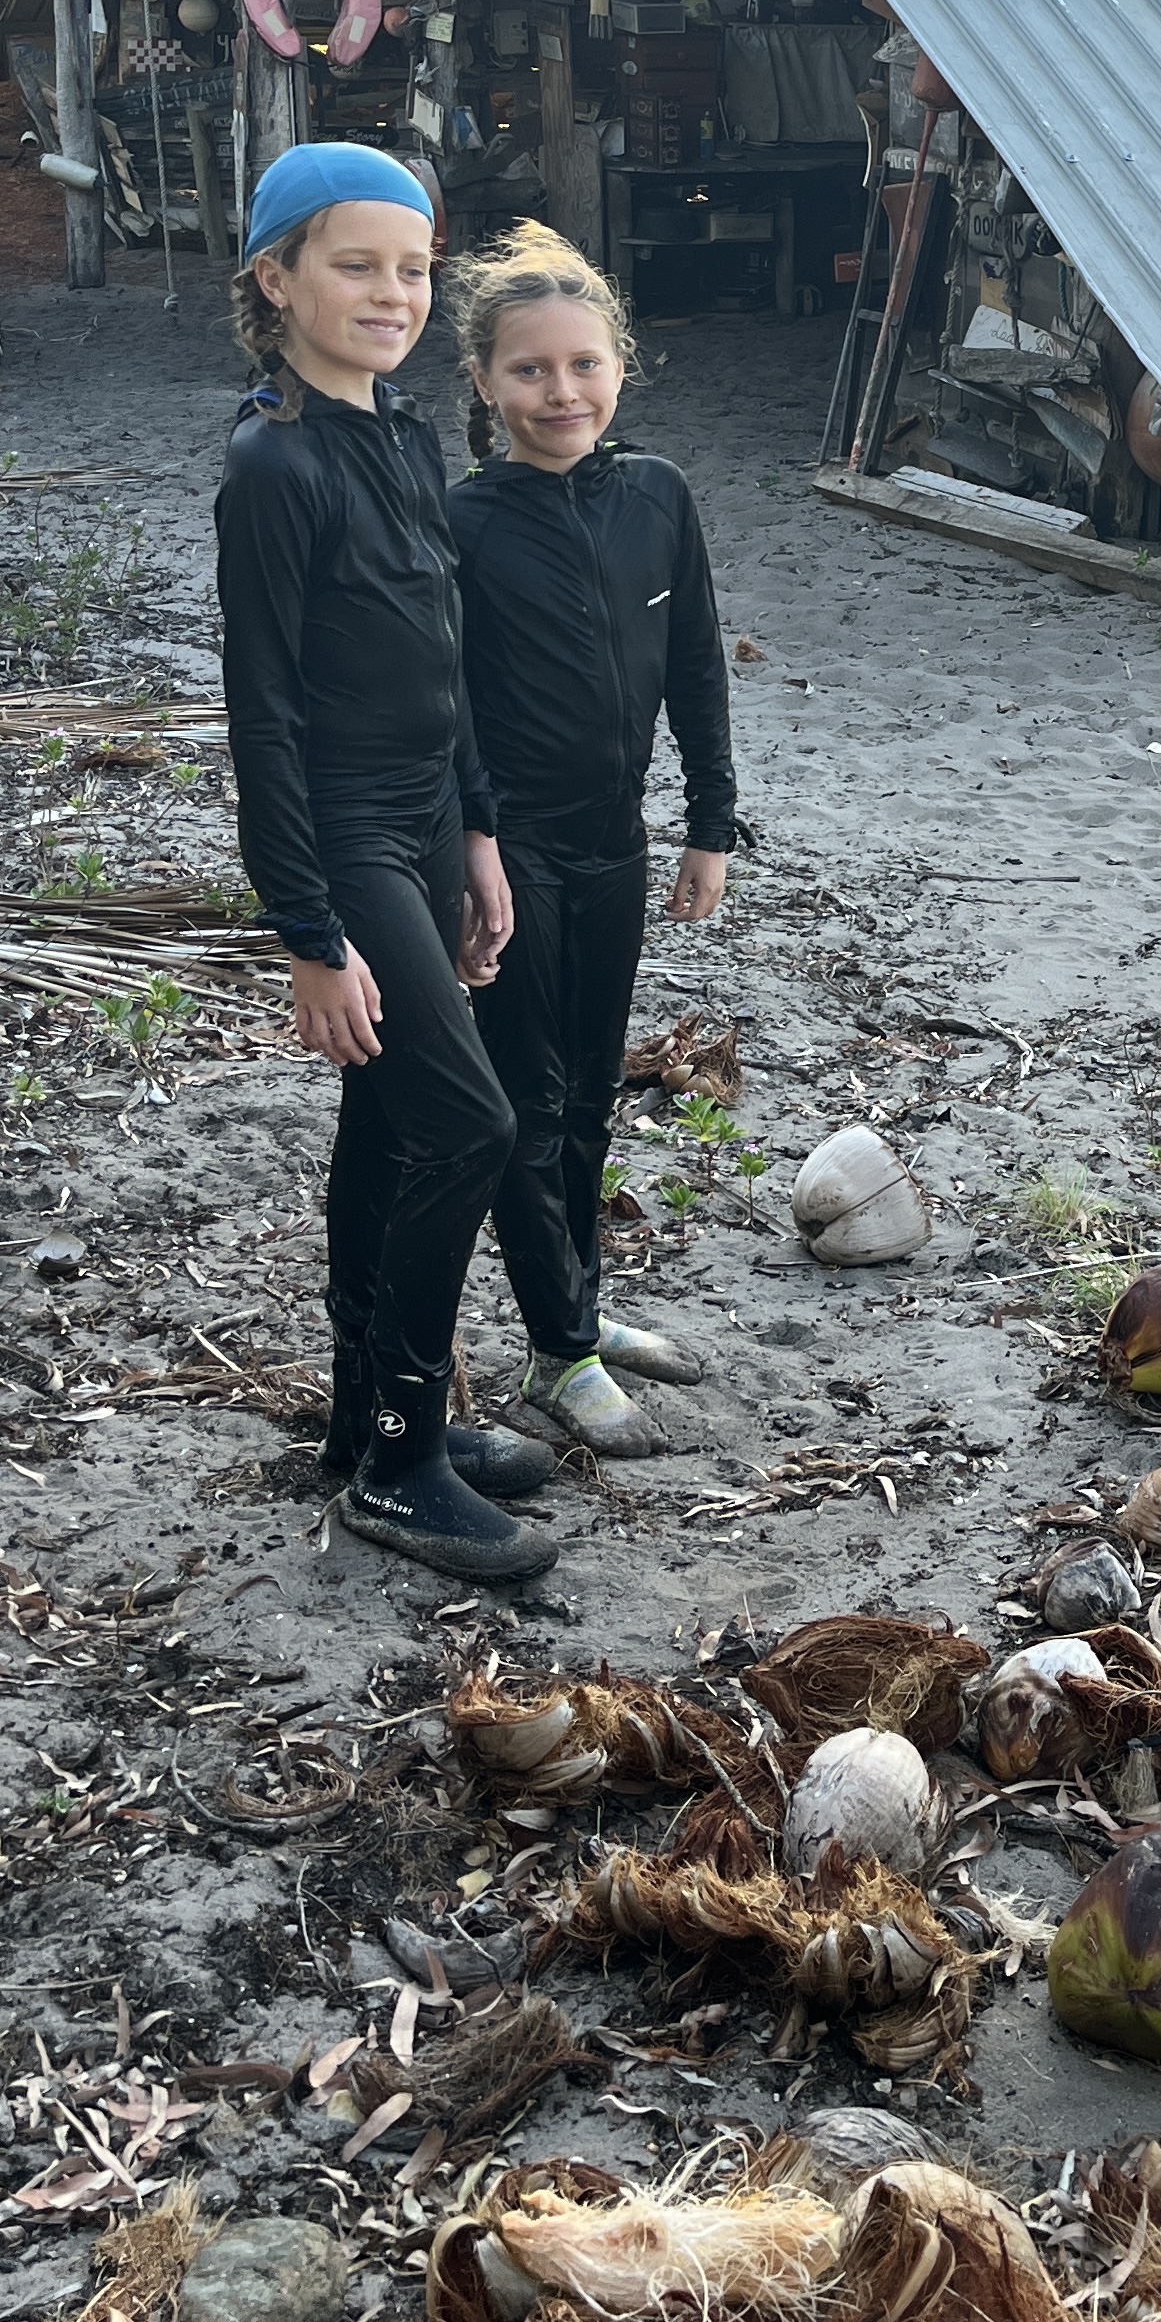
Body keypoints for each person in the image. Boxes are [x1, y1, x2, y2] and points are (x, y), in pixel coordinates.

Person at [214, 142, 556, 1586]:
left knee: (387, 1119)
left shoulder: (407, 436)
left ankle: (365, 1421)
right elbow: (265, 719)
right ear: (276, 278)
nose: (391, 292)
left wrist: (477, 833)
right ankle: (406, 1461)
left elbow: (445, 658)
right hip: (345, 841)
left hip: (423, 826)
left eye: (413, 268)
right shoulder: (273, 468)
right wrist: (306, 929)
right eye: (357, 264)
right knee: (468, 1125)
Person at [448, 223, 738, 1455]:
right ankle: (559, 1354)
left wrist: (708, 825)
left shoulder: (658, 496)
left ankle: (581, 1313)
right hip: (510, 859)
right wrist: (471, 847)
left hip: (614, 844)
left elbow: (695, 664)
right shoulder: (460, 520)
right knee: (529, 1103)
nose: (560, 392)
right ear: (483, 384)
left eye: (583, 365)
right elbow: (445, 704)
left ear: (621, 366)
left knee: (592, 1096)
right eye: (529, 370)